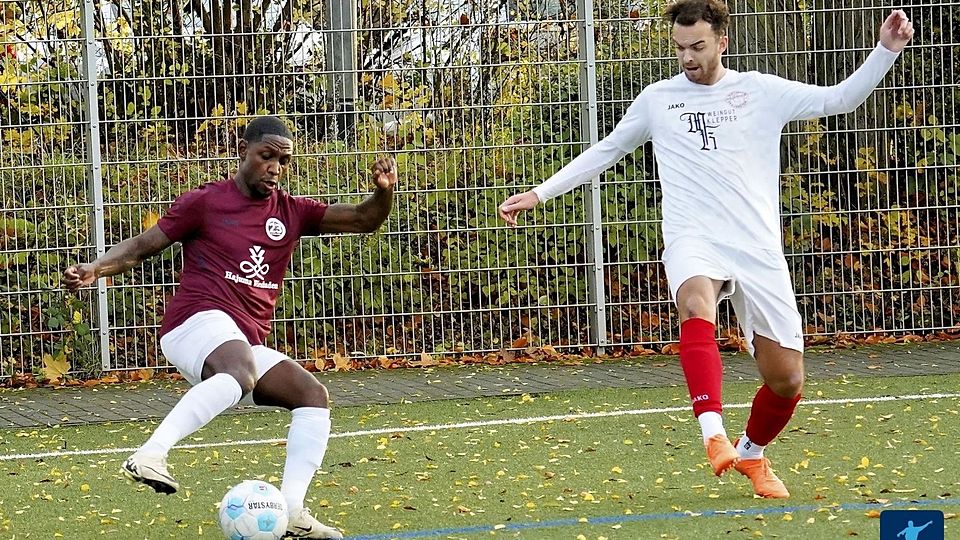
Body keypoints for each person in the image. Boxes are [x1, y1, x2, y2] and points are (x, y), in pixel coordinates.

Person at [498, 0, 913, 499]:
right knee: (695, 303)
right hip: (694, 234)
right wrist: (541, 192)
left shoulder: (760, 91)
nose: (688, 58)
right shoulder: (659, 99)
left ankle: (753, 454)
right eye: (679, 48)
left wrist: (885, 50)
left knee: (787, 379)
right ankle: (712, 433)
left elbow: (842, 98)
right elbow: (607, 148)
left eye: (697, 46)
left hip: (757, 246)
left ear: (722, 42)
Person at [63, 115, 398, 538]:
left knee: (312, 395)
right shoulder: (206, 202)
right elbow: (142, 246)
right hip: (192, 324)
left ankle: (292, 511)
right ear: (243, 151)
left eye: (284, 160)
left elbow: (364, 219)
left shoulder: (291, 212)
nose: (275, 167)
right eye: (266, 156)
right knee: (239, 370)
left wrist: (382, 193)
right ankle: (150, 454)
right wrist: (97, 267)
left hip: (240, 340)